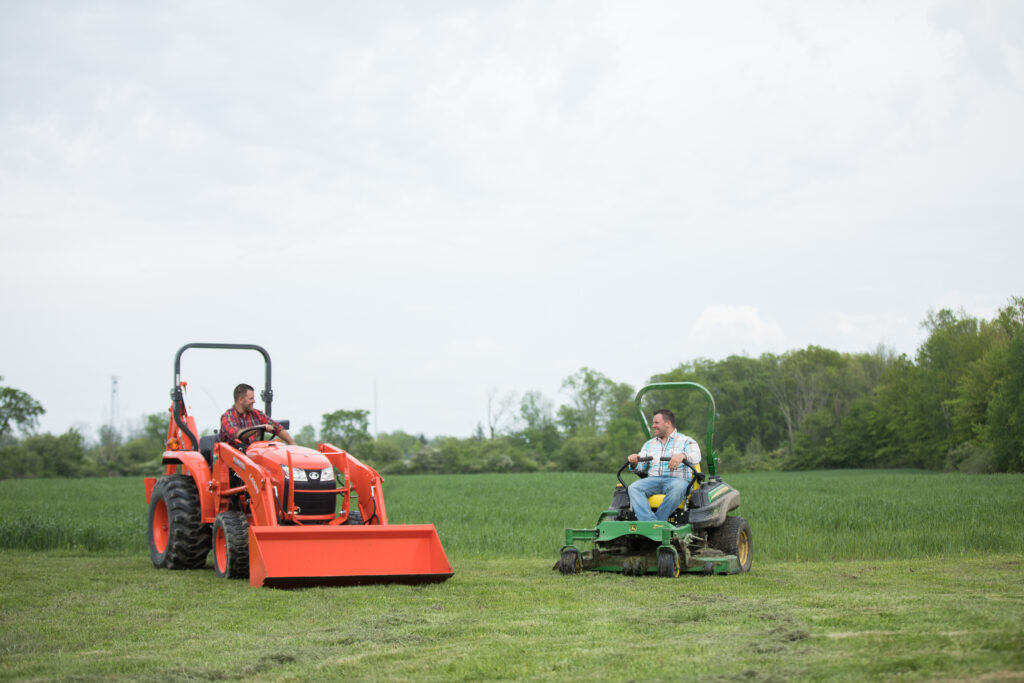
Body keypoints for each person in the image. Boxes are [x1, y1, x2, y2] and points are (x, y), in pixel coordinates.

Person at [626, 409, 701, 522]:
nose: (653, 426)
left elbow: (696, 456)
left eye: (656, 423)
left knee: (677, 488)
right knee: (633, 488)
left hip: (677, 480)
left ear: (668, 423)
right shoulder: (649, 444)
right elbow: (640, 467)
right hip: (653, 480)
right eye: (653, 423)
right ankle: (650, 523)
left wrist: (682, 456)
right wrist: (634, 462)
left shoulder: (686, 441)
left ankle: (658, 523)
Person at [220, 383, 296, 450]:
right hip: (232, 459)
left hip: (252, 455)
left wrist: (292, 444)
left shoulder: (257, 414)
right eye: (251, 399)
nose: (254, 401)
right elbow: (237, 435)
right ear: (240, 400)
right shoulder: (228, 417)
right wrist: (258, 427)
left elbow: (278, 428)